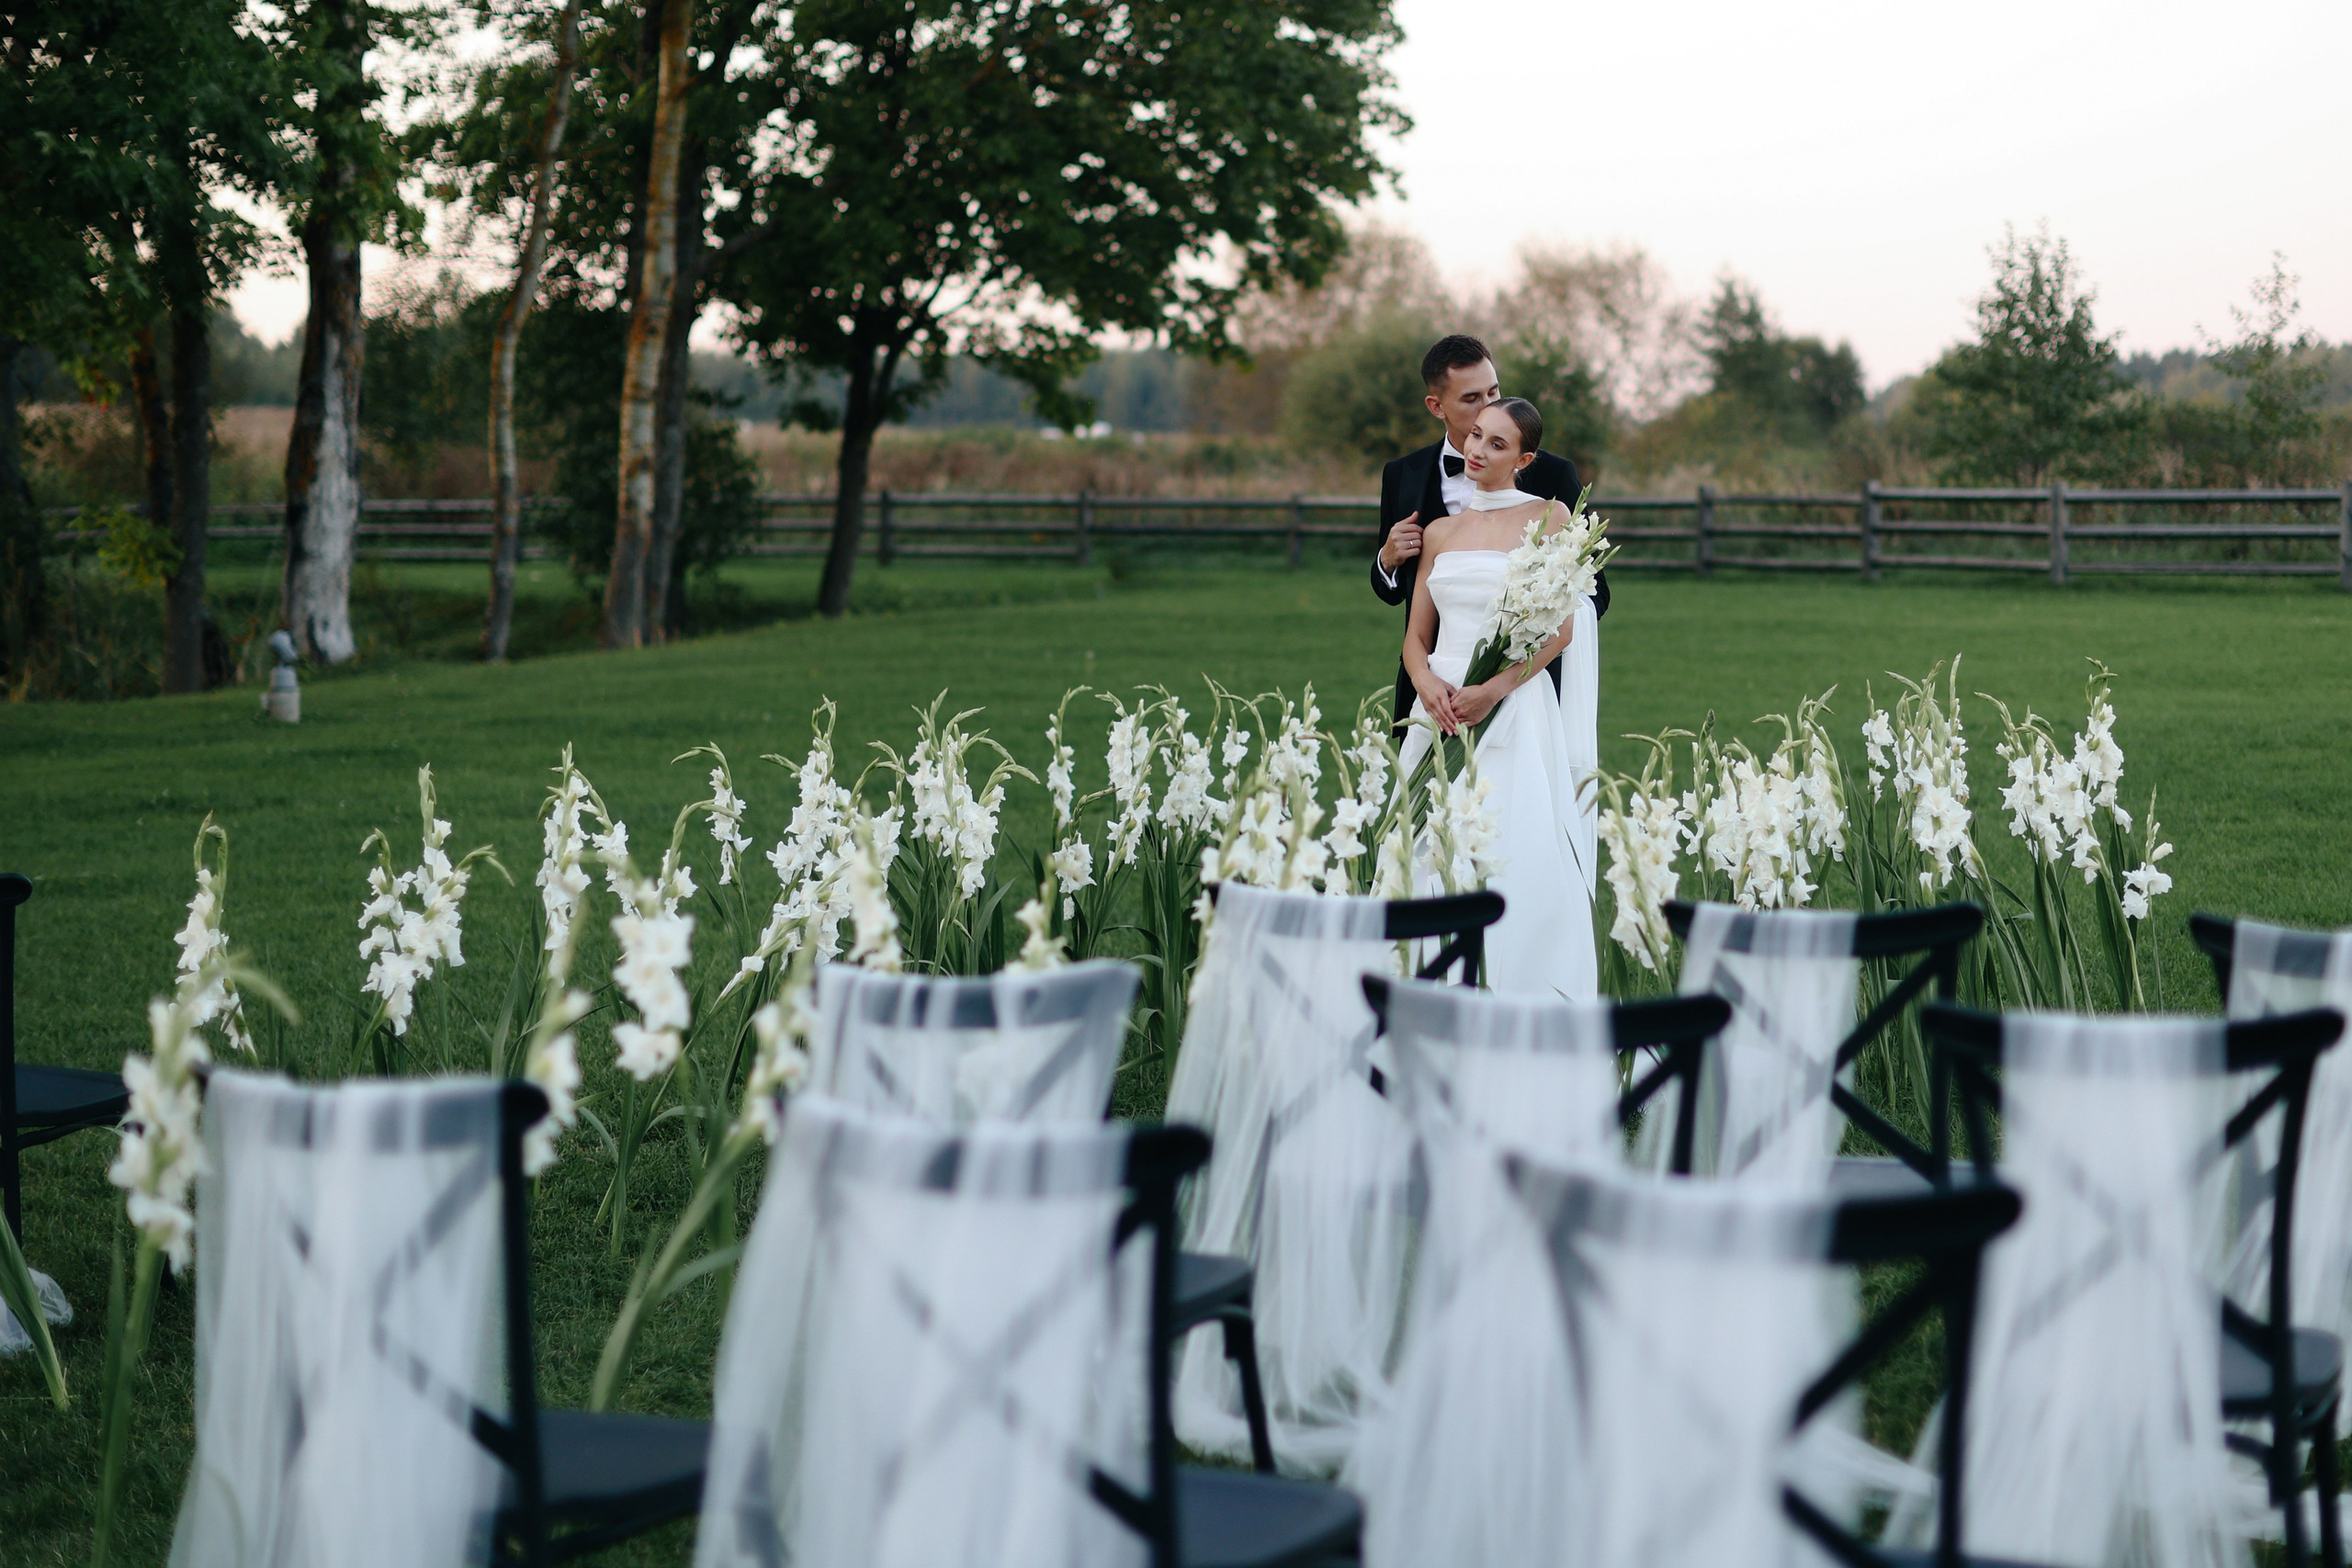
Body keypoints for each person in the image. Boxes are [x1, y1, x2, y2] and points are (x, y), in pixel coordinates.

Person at [1396, 397, 1599, 1002]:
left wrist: (1494, 688)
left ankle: (1522, 995)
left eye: (1497, 444)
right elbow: (1416, 637)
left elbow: (1560, 629)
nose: (1477, 451)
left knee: (1515, 848)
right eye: (1475, 436)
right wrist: (1427, 683)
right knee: (1425, 850)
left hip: (1509, 703)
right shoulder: (1440, 530)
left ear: (1525, 458)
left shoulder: (1550, 517)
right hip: (1438, 711)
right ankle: (1426, 993)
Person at [1372, 333, 1611, 730]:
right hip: (1433, 692)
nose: (1490, 406)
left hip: (1522, 692)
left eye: (1494, 390)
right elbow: (1395, 594)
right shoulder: (1403, 476)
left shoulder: (1552, 478)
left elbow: (1593, 592)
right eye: (1471, 399)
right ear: (1436, 406)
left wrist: (1508, 664)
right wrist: (1388, 559)